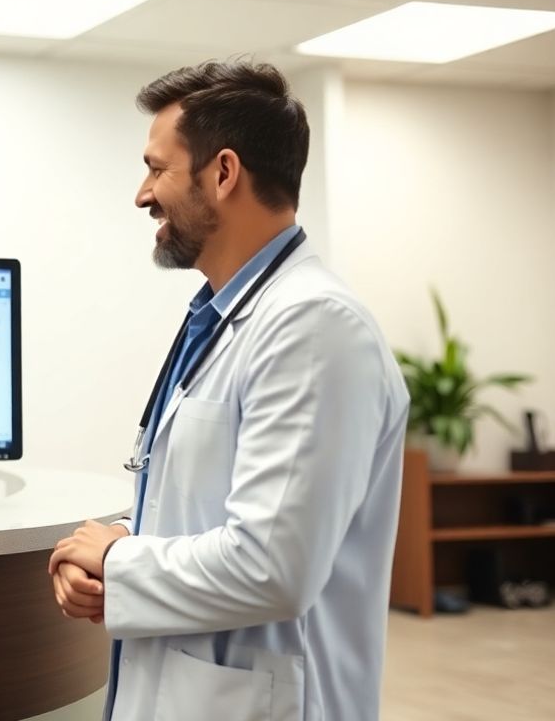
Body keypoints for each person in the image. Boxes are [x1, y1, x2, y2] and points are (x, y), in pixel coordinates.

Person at [48, 62, 408, 720]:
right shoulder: (223, 318)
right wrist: (121, 545)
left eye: (157, 168)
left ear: (222, 173)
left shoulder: (314, 327)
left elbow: (274, 567)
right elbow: (222, 507)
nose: (142, 194)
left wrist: (122, 559)